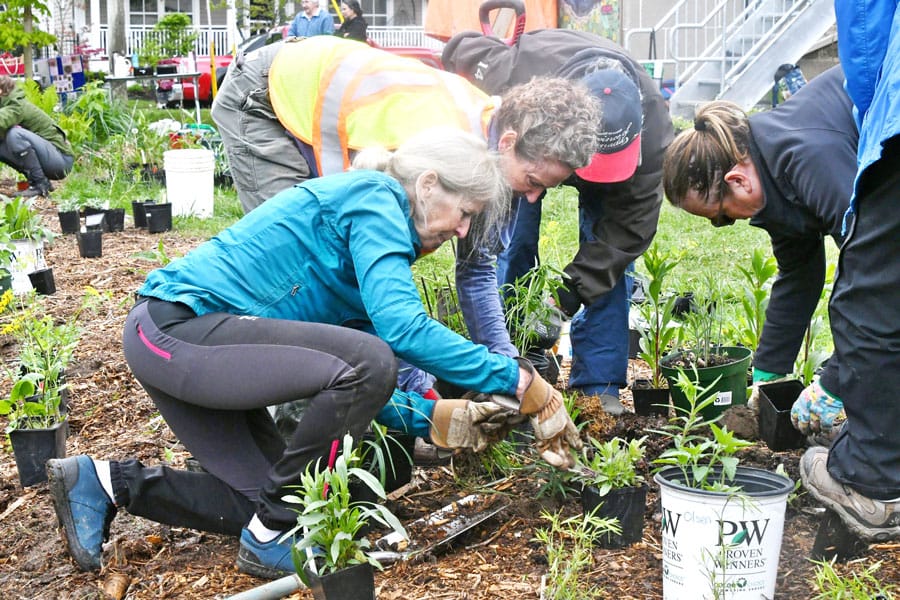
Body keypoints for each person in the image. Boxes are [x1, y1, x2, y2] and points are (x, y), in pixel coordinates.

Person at [46, 128, 582, 580]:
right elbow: (397, 336)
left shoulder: (362, 260)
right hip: (174, 330)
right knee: (365, 368)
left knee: (271, 502)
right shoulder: (375, 197)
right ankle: (272, 536)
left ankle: (104, 483)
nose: (463, 230)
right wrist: (518, 380)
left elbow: (353, 378)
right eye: (464, 213)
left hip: (200, 352)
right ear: (427, 184)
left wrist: (437, 419)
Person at [212, 35, 599, 400]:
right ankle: (262, 400)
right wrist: (421, 392)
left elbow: (478, 269)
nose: (532, 198)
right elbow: (365, 280)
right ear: (508, 143)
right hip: (269, 95)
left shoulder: (493, 162)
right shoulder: (428, 149)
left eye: (544, 189)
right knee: (301, 265)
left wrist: (509, 366)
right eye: (532, 182)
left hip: (323, 91)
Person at [442, 28, 675, 414]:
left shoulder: (652, 133)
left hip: (620, 176)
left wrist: (564, 297)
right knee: (513, 235)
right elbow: (460, 49)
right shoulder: (522, 79)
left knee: (611, 264)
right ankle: (511, 354)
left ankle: (599, 384)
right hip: (534, 148)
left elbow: (626, 232)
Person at [661, 65, 857, 401]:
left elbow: (875, 266)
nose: (729, 223)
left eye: (722, 217)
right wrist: (769, 371)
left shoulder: (808, 158)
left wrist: (836, 381)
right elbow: (799, 275)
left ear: (737, 181)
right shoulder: (770, 169)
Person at [795, 0, 900, 543]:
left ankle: (872, 484)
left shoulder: (804, 159)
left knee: (867, 300)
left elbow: (865, 27)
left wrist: (835, 377)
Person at [0, 75, 74, 197]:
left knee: (15, 134)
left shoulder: (16, 106)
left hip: (61, 161)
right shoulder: (8, 104)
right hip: (50, 158)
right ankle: (39, 181)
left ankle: (40, 185)